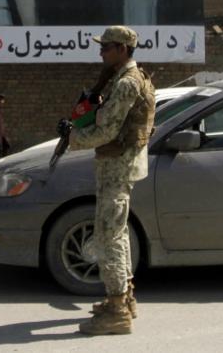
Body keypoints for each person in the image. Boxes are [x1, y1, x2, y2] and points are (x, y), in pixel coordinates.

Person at [57, 25, 155, 335]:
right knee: (118, 233)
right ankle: (124, 299)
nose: (101, 51)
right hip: (118, 164)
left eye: (107, 46)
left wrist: (73, 137)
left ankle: (116, 310)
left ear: (123, 49)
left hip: (118, 166)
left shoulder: (127, 83)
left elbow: (108, 130)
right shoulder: (122, 79)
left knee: (108, 236)